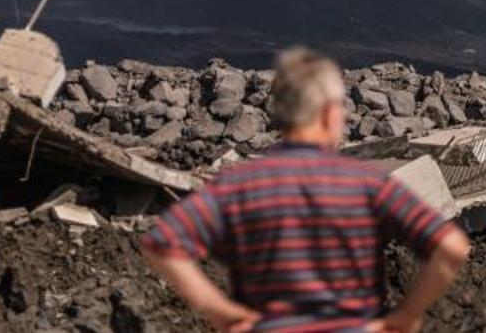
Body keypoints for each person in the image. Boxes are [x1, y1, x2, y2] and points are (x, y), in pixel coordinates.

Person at [141, 47, 469, 332]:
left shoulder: (242, 183)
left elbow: (163, 243)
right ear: (328, 115)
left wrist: (221, 312)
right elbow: (451, 246)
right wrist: (406, 315)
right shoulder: (366, 184)